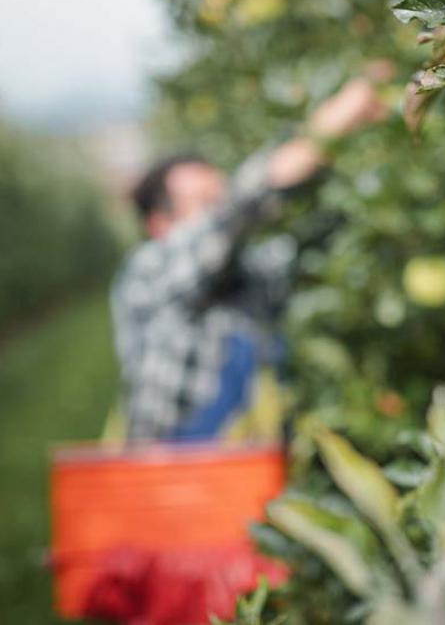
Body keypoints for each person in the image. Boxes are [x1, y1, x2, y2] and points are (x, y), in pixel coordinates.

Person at [111, 78, 388, 441]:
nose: (219, 210)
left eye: (219, 194)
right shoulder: (152, 268)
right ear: (159, 224)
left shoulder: (250, 267)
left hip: (247, 471)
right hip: (170, 475)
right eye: (205, 203)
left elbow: (321, 233)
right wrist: (333, 122)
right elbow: (243, 205)